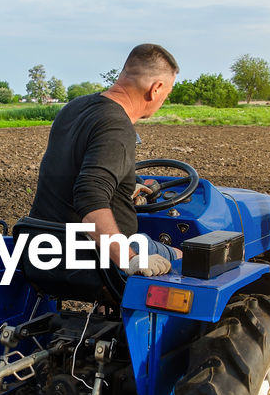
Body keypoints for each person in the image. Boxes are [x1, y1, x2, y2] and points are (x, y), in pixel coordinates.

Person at [28, 43, 182, 277]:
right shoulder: (117, 125)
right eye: (167, 94)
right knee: (186, 256)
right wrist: (130, 259)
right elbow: (90, 198)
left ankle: (105, 307)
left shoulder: (74, 108)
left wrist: (128, 185)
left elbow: (75, 169)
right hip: (88, 256)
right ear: (156, 89)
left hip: (45, 245)